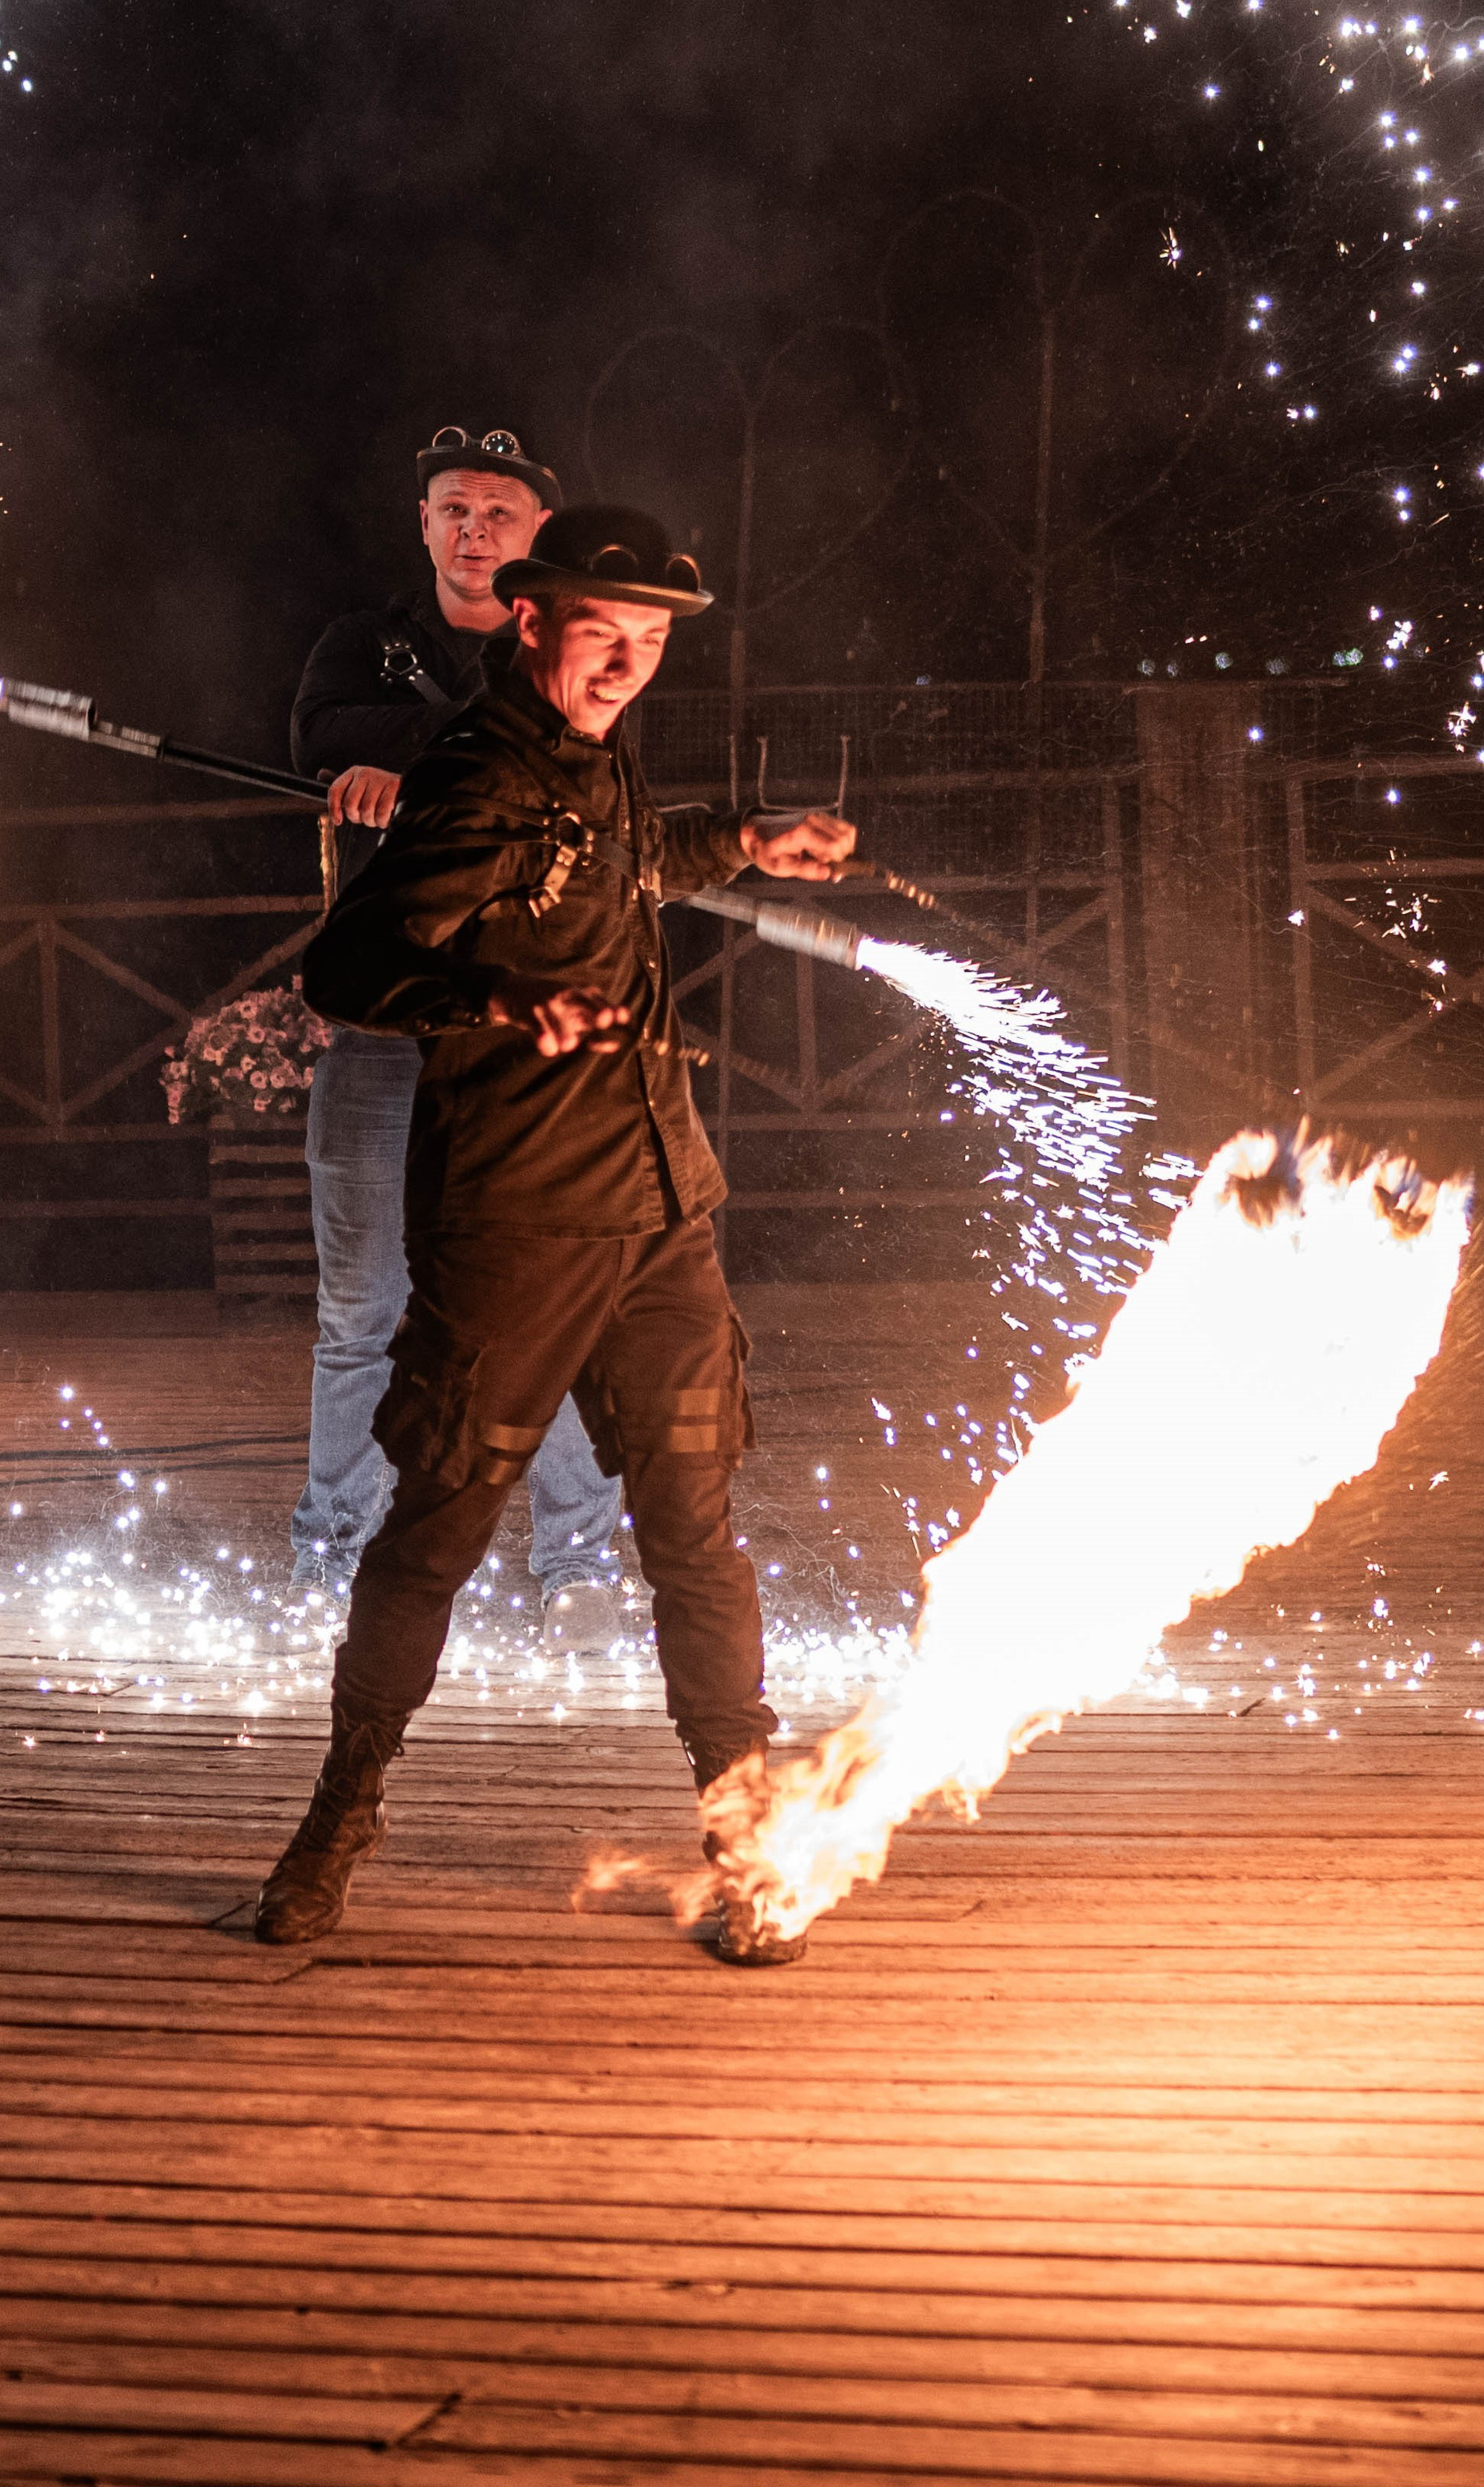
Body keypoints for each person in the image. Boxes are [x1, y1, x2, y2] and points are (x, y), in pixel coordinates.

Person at [260, 502, 857, 1966]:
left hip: (664, 1211)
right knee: (438, 1533)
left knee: (696, 1538)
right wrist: (494, 1003)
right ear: (528, 621)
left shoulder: (591, 754)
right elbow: (349, 962)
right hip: (519, 1224)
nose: (627, 666)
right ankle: (340, 1816)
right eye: (604, 636)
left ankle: (744, 1843)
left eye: (649, 644)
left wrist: (746, 841)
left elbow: (621, 856)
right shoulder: (468, 773)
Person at [288, 427, 624, 1642]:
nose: (475, 529)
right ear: (422, 524)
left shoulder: (577, 650)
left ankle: (577, 1564)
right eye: (453, 509)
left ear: (540, 534)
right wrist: (376, 759)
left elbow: (559, 759)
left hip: (524, 1044)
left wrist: (409, 761)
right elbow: (317, 735)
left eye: (499, 511)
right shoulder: (360, 641)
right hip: (383, 1030)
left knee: (544, 1302)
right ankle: (336, 1563)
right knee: (361, 1311)